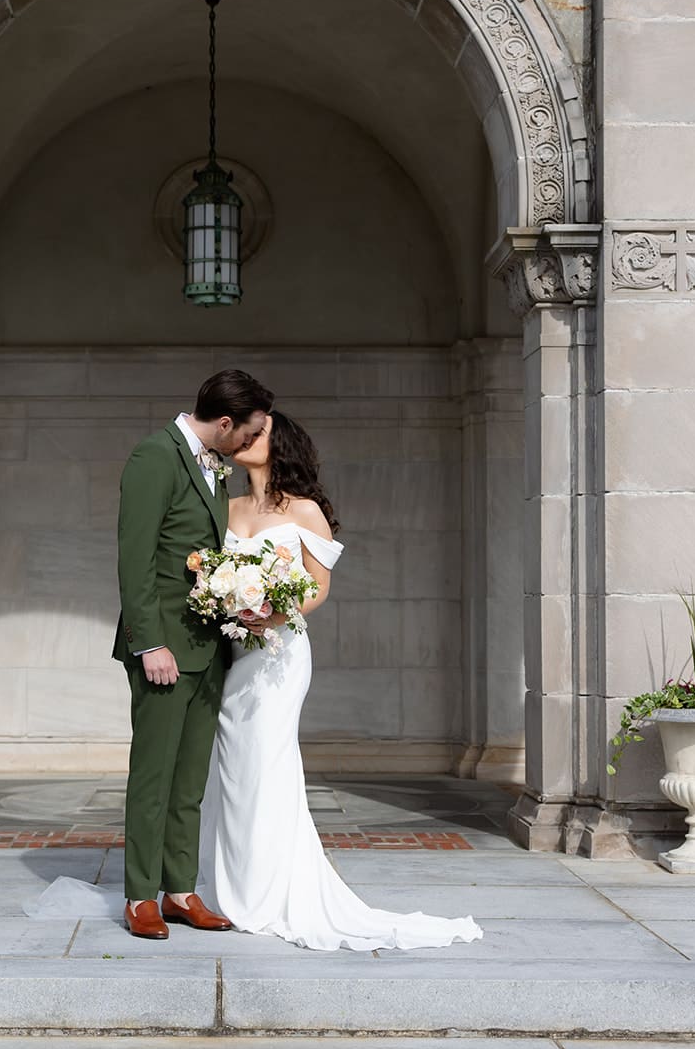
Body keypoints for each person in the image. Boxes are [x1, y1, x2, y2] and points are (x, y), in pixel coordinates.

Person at [199, 410, 483, 953]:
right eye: (241, 434)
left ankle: (268, 890)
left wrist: (273, 610)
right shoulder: (225, 507)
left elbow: (318, 587)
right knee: (231, 764)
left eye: (255, 434)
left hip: (279, 656)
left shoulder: (304, 510)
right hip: (233, 652)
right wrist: (228, 600)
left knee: (266, 760)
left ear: (277, 442)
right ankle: (227, 882)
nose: (243, 441)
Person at [113, 368, 273, 940]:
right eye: (247, 434)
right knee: (153, 777)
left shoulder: (214, 466)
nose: (249, 444)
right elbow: (135, 560)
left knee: (189, 782)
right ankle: (139, 897)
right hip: (163, 649)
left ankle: (179, 890)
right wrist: (149, 642)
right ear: (224, 423)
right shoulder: (155, 456)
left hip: (209, 647)